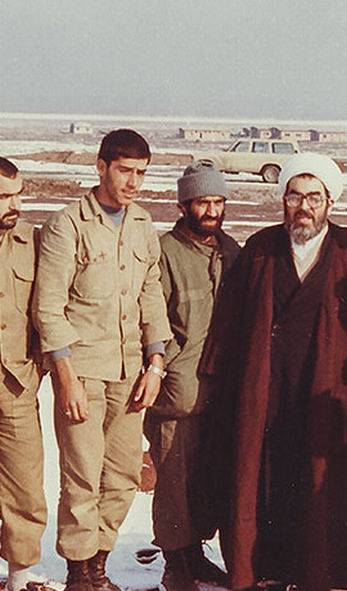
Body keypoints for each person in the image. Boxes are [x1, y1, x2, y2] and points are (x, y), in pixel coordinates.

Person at [200, 153, 347, 591]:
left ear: (330, 202)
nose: (304, 207)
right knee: (267, 476)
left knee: (324, 480)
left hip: (328, 392)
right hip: (268, 390)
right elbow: (229, 324)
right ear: (283, 200)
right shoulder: (260, 249)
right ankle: (267, 568)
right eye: (295, 196)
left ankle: (323, 569)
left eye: (314, 197)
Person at [33, 129, 172, 591]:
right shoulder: (68, 225)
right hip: (84, 371)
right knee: (82, 475)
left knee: (123, 475)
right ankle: (78, 572)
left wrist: (156, 363)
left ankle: (99, 565)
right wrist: (65, 376)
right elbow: (48, 307)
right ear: (101, 167)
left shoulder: (142, 225)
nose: (134, 182)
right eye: (125, 171)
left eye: (141, 173)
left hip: (130, 372)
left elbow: (151, 295)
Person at [144, 162, 239, 591]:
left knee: (206, 479)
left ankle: (196, 555)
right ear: (184, 205)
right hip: (177, 393)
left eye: (218, 201)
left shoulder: (232, 251)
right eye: (203, 202)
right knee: (173, 479)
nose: (212, 211)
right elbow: (149, 318)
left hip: (220, 392)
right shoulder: (164, 252)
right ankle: (174, 562)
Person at [0, 158, 46, 591]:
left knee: (25, 486)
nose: (15, 205)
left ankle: (18, 578)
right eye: (3, 197)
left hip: (16, 384)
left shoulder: (33, 241)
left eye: (17, 194)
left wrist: (40, 366)